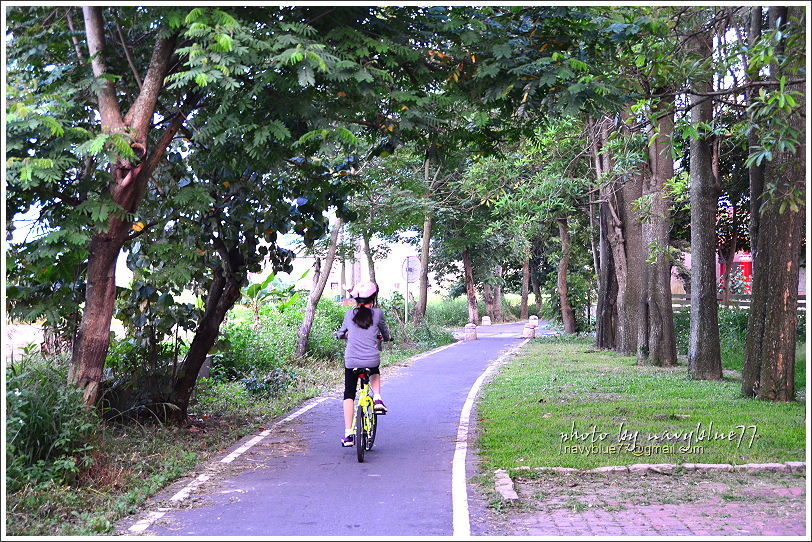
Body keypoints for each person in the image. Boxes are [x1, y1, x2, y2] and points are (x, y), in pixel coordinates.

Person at [335, 280, 391, 447]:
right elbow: (385, 332)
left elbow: (340, 334)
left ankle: (348, 434)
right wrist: (385, 338)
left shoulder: (348, 315)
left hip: (351, 361)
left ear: (355, 301)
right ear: (373, 299)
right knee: (374, 370)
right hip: (371, 359)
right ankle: (378, 399)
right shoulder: (378, 314)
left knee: (349, 394)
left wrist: (345, 336)